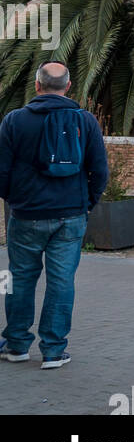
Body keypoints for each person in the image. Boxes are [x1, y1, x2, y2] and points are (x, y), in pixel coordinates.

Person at [0, 62, 108, 368]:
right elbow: (99, 170)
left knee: (20, 279)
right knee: (61, 281)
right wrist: (87, 202)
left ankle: (17, 345)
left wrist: (14, 198)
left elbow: (2, 170)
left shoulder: (14, 121)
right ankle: (53, 350)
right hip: (70, 215)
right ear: (68, 86)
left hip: (26, 214)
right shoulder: (84, 121)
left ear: (36, 85)